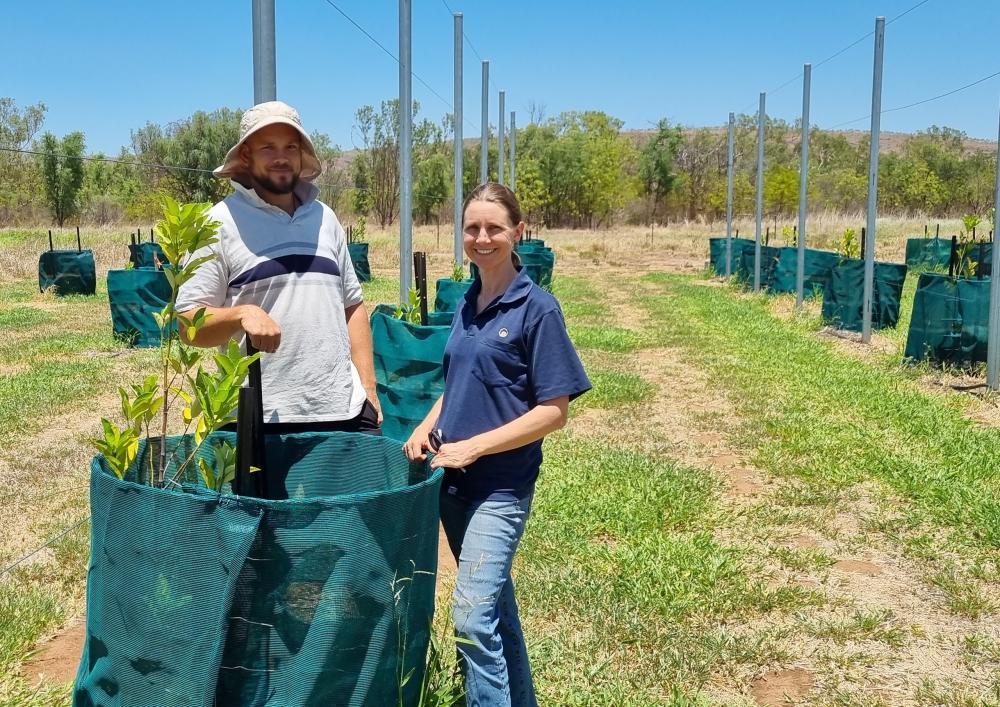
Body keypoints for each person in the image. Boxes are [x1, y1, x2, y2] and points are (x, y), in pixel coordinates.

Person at [404, 183, 591, 706]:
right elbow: (459, 384)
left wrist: (475, 448)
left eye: (493, 228)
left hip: (499, 489)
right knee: (494, 610)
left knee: (469, 618)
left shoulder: (537, 309)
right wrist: (426, 423)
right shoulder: (467, 301)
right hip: (454, 484)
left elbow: (555, 411)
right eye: (472, 228)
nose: (482, 238)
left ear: (517, 233)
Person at [176, 100, 381, 435]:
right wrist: (240, 314)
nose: (281, 157)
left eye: (290, 146)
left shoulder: (324, 218)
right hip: (261, 415)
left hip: (343, 409)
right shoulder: (217, 224)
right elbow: (188, 325)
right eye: (267, 147)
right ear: (246, 156)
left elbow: (353, 305)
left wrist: (368, 386)